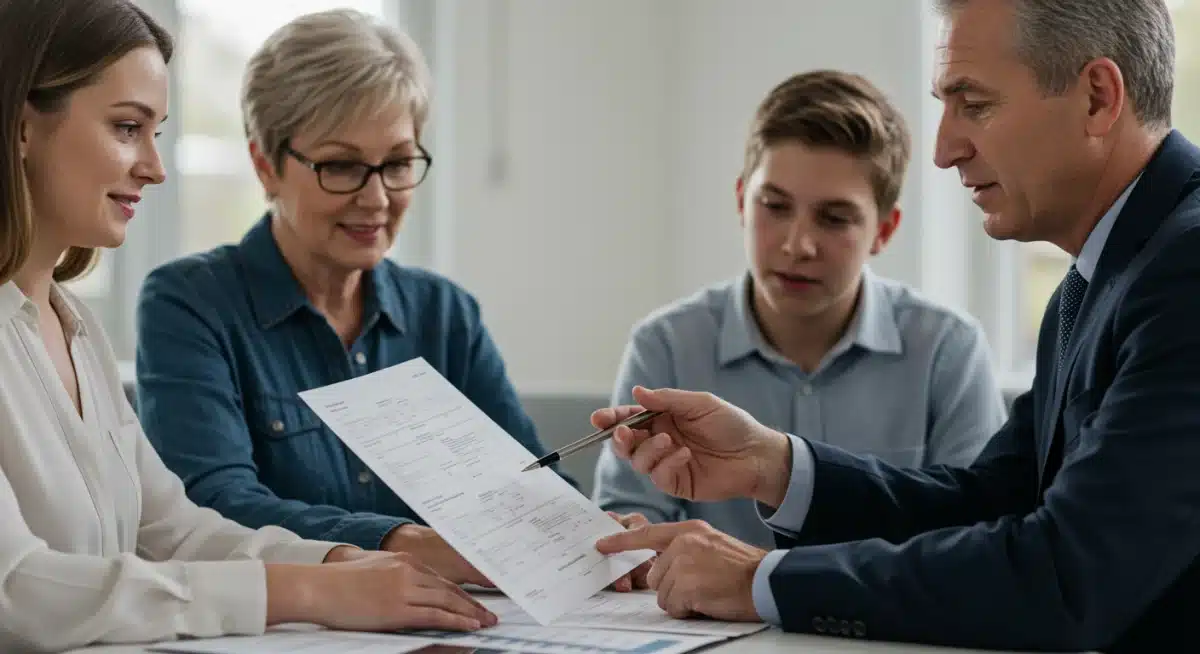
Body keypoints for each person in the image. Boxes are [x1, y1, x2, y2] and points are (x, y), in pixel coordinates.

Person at [591, 0, 1200, 651]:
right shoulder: (1096, 280)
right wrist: (770, 464)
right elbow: (995, 502)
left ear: (1097, 98)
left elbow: (1066, 573)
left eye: (974, 103)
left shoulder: (1184, 270)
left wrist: (761, 580)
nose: (944, 150)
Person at [0, 0, 499, 650]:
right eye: (127, 127)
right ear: (20, 127)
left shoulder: (77, 329)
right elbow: (17, 590)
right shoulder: (184, 301)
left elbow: (174, 528)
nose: (156, 166)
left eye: (158, 132)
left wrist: (340, 562)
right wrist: (309, 590)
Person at [134, 9, 590, 589]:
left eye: (398, 164)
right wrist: (405, 544)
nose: (376, 199)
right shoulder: (190, 303)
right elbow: (214, 508)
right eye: (342, 166)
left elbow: (528, 484)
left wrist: (594, 531)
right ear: (264, 165)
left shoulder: (445, 313)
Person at [592, 70, 1005, 548]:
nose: (797, 244)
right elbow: (628, 519)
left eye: (833, 218)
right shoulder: (665, 345)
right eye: (774, 206)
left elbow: (976, 534)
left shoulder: (946, 350)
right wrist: (635, 539)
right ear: (742, 202)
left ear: (884, 231)